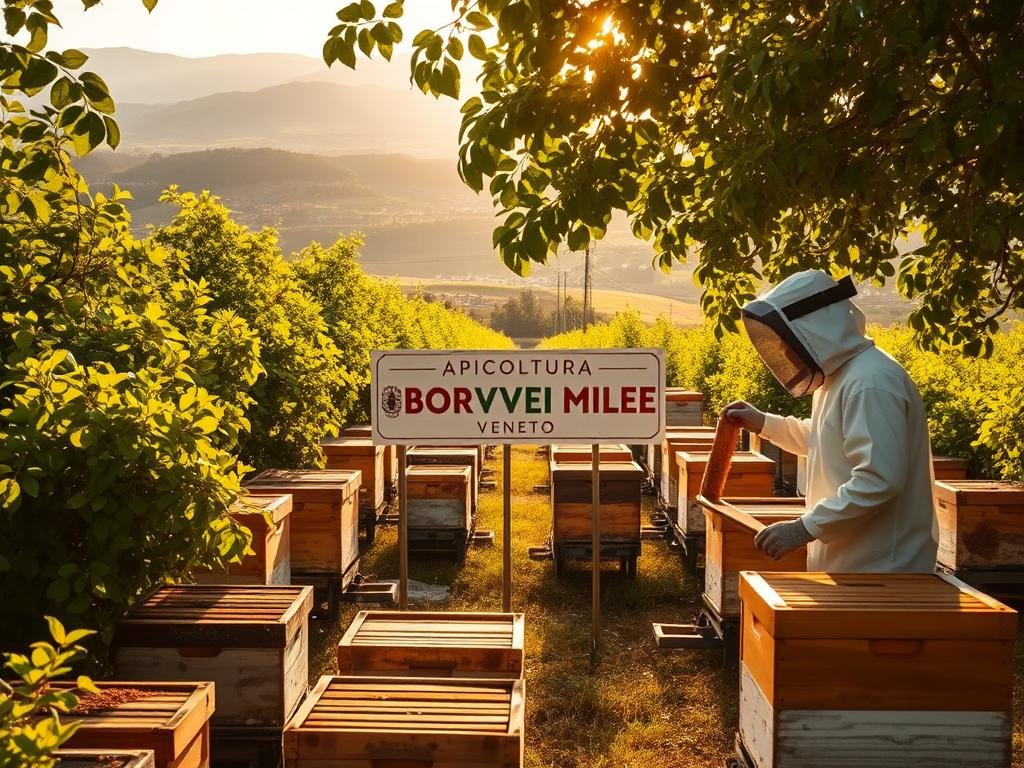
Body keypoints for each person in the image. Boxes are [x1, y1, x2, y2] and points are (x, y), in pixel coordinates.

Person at [724, 270, 938, 573]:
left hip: (883, 570)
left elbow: (878, 479)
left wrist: (804, 527)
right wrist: (763, 422)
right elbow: (824, 438)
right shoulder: (843, 377)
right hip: (855, 564)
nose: (785, 351)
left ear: (814, 327)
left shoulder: (870, 382)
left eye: (788, 339)